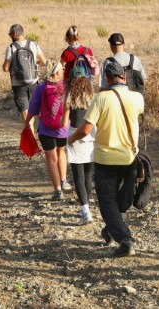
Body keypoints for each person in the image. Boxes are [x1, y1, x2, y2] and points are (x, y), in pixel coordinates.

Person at [68, 60, 144, 257]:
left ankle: (126, 239)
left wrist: (70, 139)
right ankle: (110, 229)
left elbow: (85, 129)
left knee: (107, 201)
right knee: (119, 199)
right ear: (124, 77)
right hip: (129, 157)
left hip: (106, 159)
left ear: (108, 79)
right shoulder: (137, 98)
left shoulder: (101, 98)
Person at [25, 61, 72, 200]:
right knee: (61, 151)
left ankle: (57, 190)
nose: (63, 71)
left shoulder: (42, 87)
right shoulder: (66, 86)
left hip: (46, 128)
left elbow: (33, 106)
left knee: (51, 158)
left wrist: (27, 122)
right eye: (62, 69)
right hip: (63, 128)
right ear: (57, 72)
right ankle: (63, 180)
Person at [64, 72, 96, 225]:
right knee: (88, 174)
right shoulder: (93, 97)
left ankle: (85, 209)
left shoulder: (70, 97)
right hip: (91, 136)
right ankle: (87, 205)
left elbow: (65, 122)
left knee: (78, 176)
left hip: (74, 136)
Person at [2, 23, 47, 121]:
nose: (10, 37)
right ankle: (35, 134)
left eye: (10, 35)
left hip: (19, 85)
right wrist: (34, 64)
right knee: (33, 112)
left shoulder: (11, 48)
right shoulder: (33, 45)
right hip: (33, 83)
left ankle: (30, 135)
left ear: (15, 34)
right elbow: (44, 62)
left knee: (26, 115)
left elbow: (5, 68)